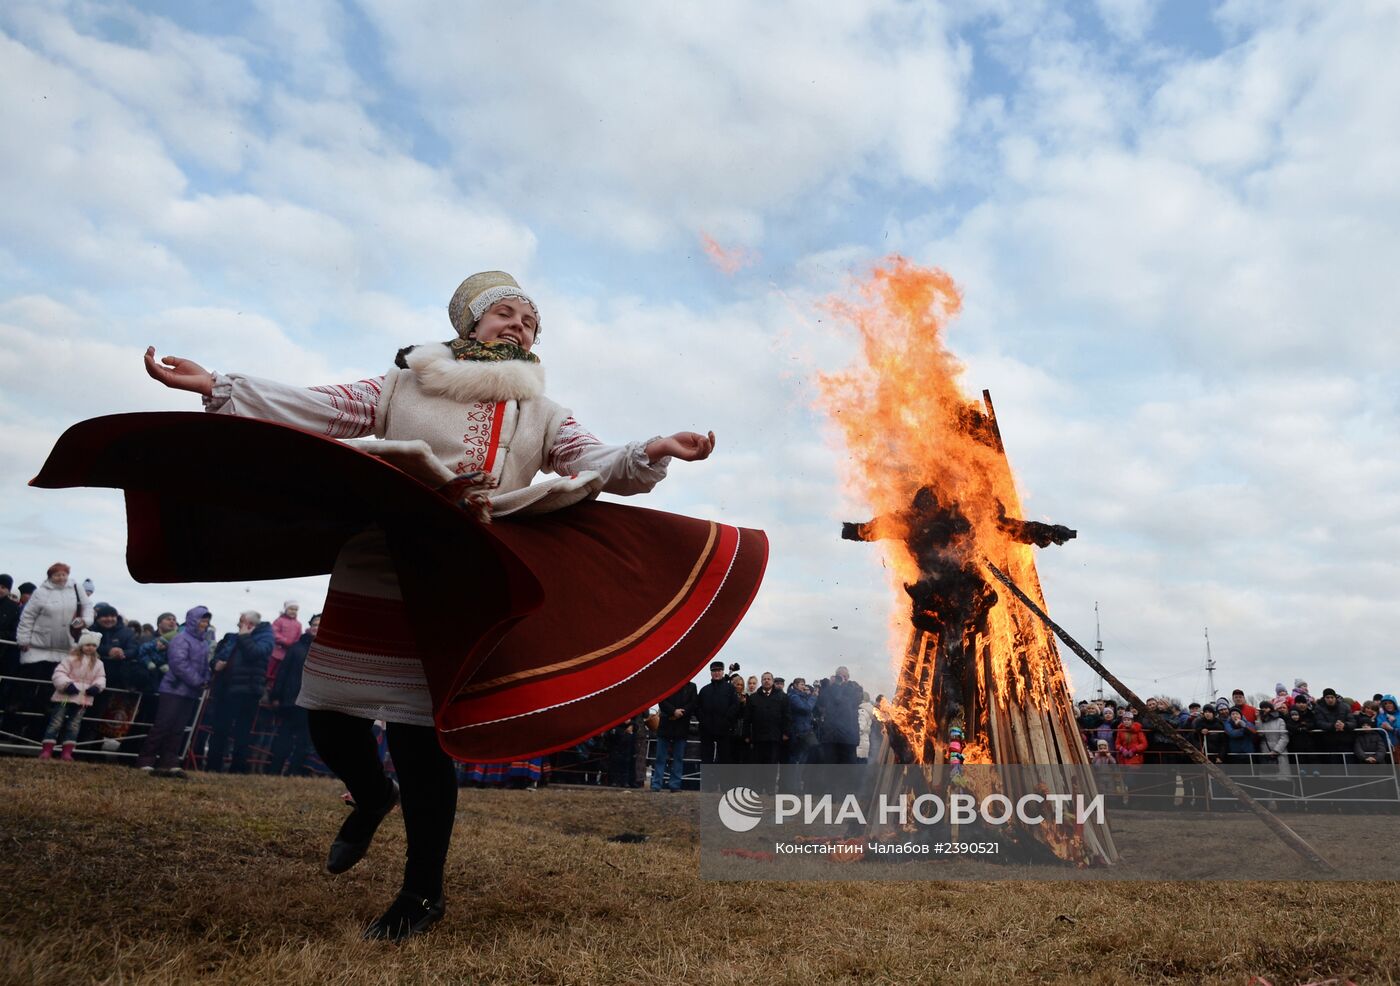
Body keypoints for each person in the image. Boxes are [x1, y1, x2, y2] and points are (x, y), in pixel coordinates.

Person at [133, 269, 752, 942]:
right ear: (471, 325)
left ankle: (422, 894)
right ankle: (372, 795)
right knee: (328, 719)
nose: (520, 326)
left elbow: (595, 461)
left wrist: (653, 449)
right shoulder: (404, 383)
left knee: (420, 737)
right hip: (379, 558)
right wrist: (221, 387)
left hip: (462, 572)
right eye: (507, 314)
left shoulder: (542, 413)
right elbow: (322, 409)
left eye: (531, 322)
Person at [15, 563, 93, 739]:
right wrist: (24, 639)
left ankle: (37, 735)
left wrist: (85, 621)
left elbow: (88, 607)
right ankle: (14, 731)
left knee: (51, 696)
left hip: (65, 649)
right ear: (50, 576)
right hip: (37, 648)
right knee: (27, 690)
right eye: (57, 575)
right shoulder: (41, 592)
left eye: (64, 574)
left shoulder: (75, 588)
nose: (61, 577)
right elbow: (27, 616)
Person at [137, 607, 213, 777]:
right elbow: (179, 664)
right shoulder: (181, 639)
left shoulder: (203, 643)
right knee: (163, 725)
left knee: (178, 728)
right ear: (194, 621)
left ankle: (170, 761)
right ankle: (146, 759)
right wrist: (199, 681)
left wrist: (207, 678)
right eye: (202, 620)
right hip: (173, 689)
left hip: (189, 690)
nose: (205, 624)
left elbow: (204, 665)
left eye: (207, 621)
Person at [204, 611, 274, 773]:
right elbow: (219, 655)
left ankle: (237, 768)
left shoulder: (266, 637)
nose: (239, 625)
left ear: (250, 623)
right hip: (226, 689)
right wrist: (216, 664)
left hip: (247, 691)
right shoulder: (232, 637)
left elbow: (254, 653)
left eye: (242, 622)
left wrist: (244, 637)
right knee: (219, 729)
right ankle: (212, 767)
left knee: (242, 732)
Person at [266, 612, 319, 777]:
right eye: (315, 624)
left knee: (304, 741)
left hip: (311, 702)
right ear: (309, 626)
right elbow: (283, 672)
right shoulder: (297, 647)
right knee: (284, 737)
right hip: (291, 700)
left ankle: (294, 771)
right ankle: (274, 770)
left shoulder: (324, 652)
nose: (317, 627)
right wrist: (276, 695)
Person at [39, 630, 106, 760]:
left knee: (74, 724)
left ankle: (67, 752)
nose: (90, 648)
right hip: (65, 697)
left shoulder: (99, 663)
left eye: (93, 645)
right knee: (57, 720)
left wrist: (96, 687)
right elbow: (59, 673)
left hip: (83, 699)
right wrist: (66, 684)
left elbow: (101, 678)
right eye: (87, 644)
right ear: (81, 645)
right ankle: (47, 750)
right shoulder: (70, 659)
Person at [651, 679, 696, 792]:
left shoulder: (692, 687)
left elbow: (693, 703)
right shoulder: (666, 683)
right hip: (666, 725)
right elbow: (661, 700)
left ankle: (675, 784)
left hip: (681, 726)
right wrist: (673, 711)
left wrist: (682, 712)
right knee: (661, 757)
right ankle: (656, 784)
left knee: (678, 758)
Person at [815, 666, 861, 764]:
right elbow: (821, 703)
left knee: (847, 771)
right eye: (839, 676)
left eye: (844, 676)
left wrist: (837, 686)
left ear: (848, 677)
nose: (842, 678)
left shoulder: (854, 688)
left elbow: (841, 701)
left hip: (848, 738)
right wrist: (827, 686)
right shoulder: (830, 688)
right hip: (831, 736)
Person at [695, 660, 738, 765]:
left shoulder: (730, 688)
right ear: (711, 672)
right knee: (706, 758)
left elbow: (734, 706)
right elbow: (697, 708)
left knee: (724, 758)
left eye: (719, 670)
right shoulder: (704, 690)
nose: (716, 673)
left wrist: (726, 721)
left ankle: (722, 781)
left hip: (724, 730)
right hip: (707, 730)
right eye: (714, 671)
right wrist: (704, 721)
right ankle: (708, 781)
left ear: (723, 672)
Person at [745, 671, 788, 767]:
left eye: (769, 679)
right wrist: (747, 735)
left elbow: (787, 716)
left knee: (772, 763)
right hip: (758, 737)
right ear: (761, 681)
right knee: (758, 763)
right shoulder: (753, 698)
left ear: (772, 681)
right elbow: (747, 718)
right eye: (764, 679)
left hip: (774, 737)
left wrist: (786, 732)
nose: (766, 681)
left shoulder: (782, 697)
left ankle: (770, 782)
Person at [267, 602, 303, 690]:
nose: (293, 611)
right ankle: (264, 685)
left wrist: (295, 645)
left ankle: (272, 689)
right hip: (276, 651)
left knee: (279, 673)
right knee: (268, 670)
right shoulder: (279, 620)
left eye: (295, 610)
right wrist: (285, 641)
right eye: (291, 609)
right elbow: (274, 632)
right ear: (286, 609)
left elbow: (299, 637)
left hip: (287, 653)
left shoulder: (298, 624)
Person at [786, 677, 818, 764]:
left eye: (804, 684)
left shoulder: (801, 696)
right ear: (795, 685)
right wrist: (814, 697)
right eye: (802, 684)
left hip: (804, 730)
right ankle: (793, 777)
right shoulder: (793, 697)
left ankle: (799, 777)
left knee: (804, 756)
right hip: (798, 731)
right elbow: (806, 708)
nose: (803, 687)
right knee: (796, 758)